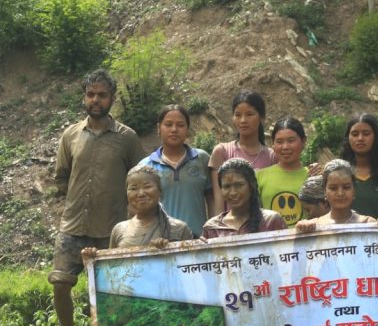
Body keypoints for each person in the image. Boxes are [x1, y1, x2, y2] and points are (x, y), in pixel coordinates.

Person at [50, 69, 145, 326]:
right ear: (84, 97)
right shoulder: (71, 135)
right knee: (60, 283)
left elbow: (141, 181)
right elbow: (61, 177)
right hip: (73, 225)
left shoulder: (127, 138)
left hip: (111, 229)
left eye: (102, 95)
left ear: (112, 98)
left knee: (112, 292)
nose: (95, 100)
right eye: (91, 95)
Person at [139, 104, 213, 237]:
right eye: (168, 124)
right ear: (158, 128)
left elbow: (212, 198)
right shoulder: (145, 167)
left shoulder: (202, 159)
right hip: (161, 241)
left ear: (187, 129)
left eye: (180, 125)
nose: (174, 129)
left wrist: (213, 230)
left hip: (198, 239)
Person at [91, 166, 193, 251]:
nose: (141, 194)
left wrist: (167, 250)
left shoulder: (179, 229)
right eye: (133, 188)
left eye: (147, 187)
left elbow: (189, 264)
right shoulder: (119, 230)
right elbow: (111, 265)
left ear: (160, 190)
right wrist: (92, 259)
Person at [208, 91, 276, 213]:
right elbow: (219, 201)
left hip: (264, 223)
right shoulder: (222, 152)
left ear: (261, 117)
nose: (243, 120)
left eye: (249, 114)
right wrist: (219, 224)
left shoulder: (272, 157)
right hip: (230, 224)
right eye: (238, 115)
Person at [296, 160, 378, 231]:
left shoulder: (367, 223)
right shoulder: (314, 226)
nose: (340, 193)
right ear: (325, 191)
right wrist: (301, 229)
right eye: (333, 188)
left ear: (354, 190)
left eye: (346, 187)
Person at [201, 158, 285, 239]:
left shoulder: (271, 221)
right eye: (227, 187)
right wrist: (200, 247)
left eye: (239, 185)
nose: (233, 192)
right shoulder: (212, 228)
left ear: (251, 185)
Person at [257, 117, 310, 226]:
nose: (285, 147)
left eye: (291, 141)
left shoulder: (313, 176)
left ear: (303, 141)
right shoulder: (259, 177)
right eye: (279, 142)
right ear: (273, 144)